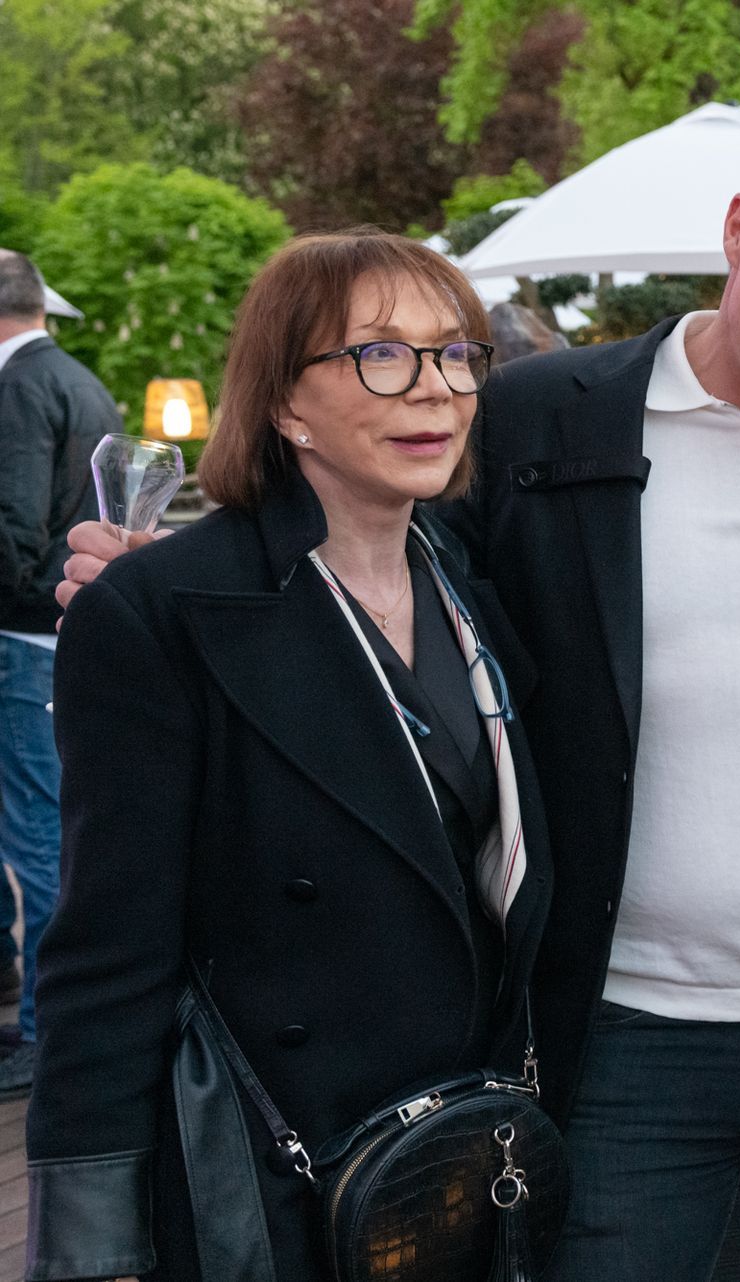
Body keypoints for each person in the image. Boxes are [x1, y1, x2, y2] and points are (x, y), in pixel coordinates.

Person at [67, 124, 740, 1280]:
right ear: (738, 228)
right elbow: (365, 564)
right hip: (624, 1029)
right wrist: (181, 583)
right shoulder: (542, 413)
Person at [26, 232, 553, 1279]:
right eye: (381, 354)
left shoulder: (468, 589)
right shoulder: (163, 608)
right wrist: (90, 1235)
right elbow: (107, 951)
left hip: (461, 1152)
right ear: (282, 401)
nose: (435, 388)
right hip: (278, 1165)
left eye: (455, 354)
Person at [0, 249, 118, 1093]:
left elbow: (12, 516)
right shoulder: (79, 377)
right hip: (59, 623)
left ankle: (45, 1030)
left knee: (38, 833)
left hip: (22, 629)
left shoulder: (19, 384)